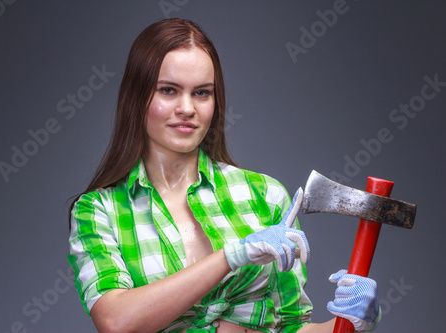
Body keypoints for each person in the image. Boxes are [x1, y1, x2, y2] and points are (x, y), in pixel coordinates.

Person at [67, 18, 381, 333]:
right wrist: (230, 256)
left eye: (202, 93)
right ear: (137, 97)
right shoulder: (99, 211)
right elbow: (116, 321)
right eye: (168, 90)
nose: (187, 108)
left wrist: (351, 323)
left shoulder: (265, 195)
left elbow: (291, 325)